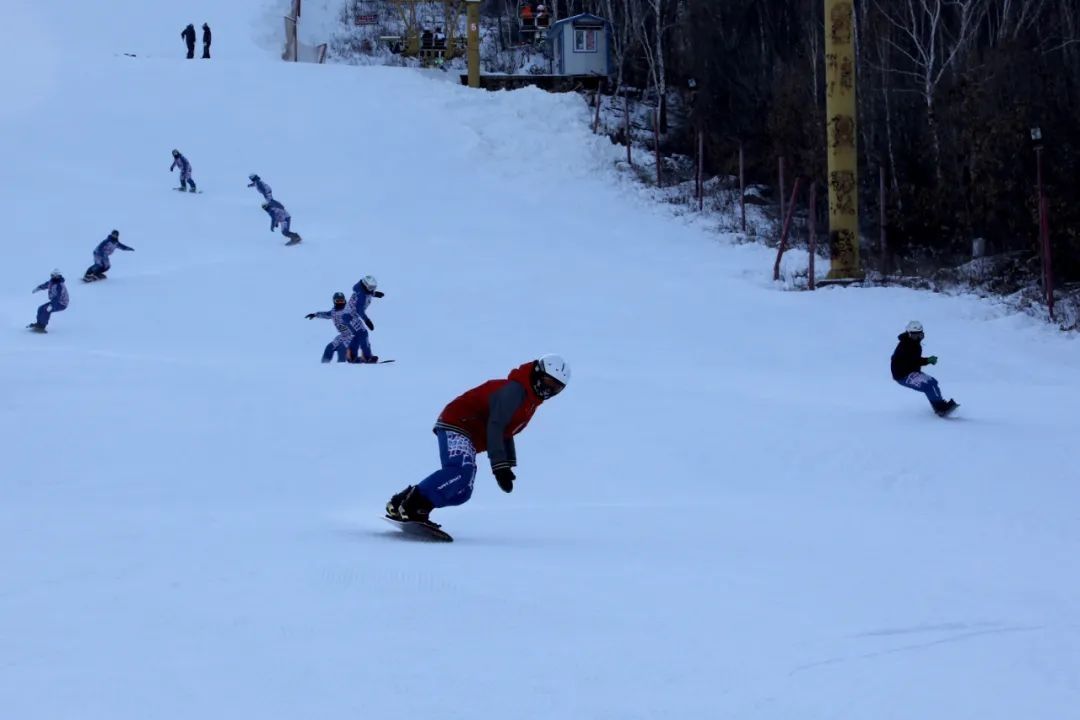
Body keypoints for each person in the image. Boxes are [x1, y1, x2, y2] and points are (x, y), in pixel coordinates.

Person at [385, 354, 571, 526]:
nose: (548, 390)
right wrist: (499, 467)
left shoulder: (529, 402)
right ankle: (413, 507)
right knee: (460, 472)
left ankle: (402, 503)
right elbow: (496, 425)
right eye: (547, 382)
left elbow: (506, 432)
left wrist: (507, 465)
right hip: (459, 422)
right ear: (538, 373)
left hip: (468, 433)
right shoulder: (516, 390)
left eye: (556, 388)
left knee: (462, 491)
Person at [891, 321, 958, 416]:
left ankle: (939, 405)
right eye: (915, 336)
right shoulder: (905, 345)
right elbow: (912, 361)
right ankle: (940, 408)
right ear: (909, 334)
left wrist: (927, 360)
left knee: (933, 382)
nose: (918, 338)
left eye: (920, 335)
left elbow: (914, 360)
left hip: (911, 371)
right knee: (928, 385)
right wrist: (928, 360)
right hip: (902, 375)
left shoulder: (913, 343)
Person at [306, 292, 355, 362]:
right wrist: (315, 314)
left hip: (352, 336)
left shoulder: (348, 310)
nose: (340, 303)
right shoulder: (333, 312)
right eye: (338, 301)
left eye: (342, 301)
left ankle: (343, 367)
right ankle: (324, 365)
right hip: (343, 335)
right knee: (329, 347)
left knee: (341, 349)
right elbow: (326, 314)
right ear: (334, 302)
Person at [345, 275, 384, 363]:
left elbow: (367, 292)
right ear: (365, 285)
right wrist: (367, 320)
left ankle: (351, 355)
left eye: (373, 288)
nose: (372, 289)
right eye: (370, 287)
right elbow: (359, 310)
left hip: (348, 315)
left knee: (358, 334)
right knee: (363, 333)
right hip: (351, 316)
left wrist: (375, 294)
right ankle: (367, 356)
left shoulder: (360, 288)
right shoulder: (362, 295)